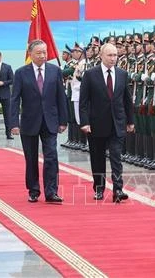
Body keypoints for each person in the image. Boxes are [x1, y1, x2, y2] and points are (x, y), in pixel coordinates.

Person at [10, 40, 68, 204]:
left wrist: (63, 120)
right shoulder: (21, 73)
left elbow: (60, 97)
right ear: (30, 54)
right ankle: (34, 190)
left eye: (44, 52)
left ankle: (51, 191)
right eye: (39, 53)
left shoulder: (55, 71)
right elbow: (15, 99)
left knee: (51, 156)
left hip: (50, 121)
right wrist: (14, 123)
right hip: (29, 122)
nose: (43, 55)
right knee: (31, 157)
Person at [79, 43, 135, 203]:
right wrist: (84, 122)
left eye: (115, 55)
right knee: (97, 158)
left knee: (116, 156)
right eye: (110, 55)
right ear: (101, 56)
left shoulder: (122, 74)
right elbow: (83, 102)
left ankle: (118, 189)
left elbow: (127, 99)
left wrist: (130, 121)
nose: (113, 58)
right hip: (96, 123)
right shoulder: (90, 74)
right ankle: (99, 188)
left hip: (117, 122)